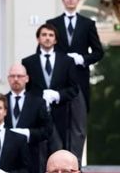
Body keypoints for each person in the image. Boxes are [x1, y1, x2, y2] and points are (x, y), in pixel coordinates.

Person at [46, 0, 104, 164]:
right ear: (63, 0)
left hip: (79, 81)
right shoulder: (52, 24)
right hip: (58, 82)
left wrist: (82, 59)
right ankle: (58, 164)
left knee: (78, 127)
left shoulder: (88, 24)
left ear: (77, 0)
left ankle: (75, 166)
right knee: (58, 124)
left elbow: (98, 52)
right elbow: (47, 50)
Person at [22, 23, 79, 156]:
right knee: (38, 152)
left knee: (59, 150)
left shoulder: (66, 61)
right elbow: (26, 90)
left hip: (60, 113)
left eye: (50, 35)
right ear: (38, 39)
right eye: (44, 35)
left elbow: (74, 89)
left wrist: (58, 95)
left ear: (55, 40)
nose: (47, 38)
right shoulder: (28, 62)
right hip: (36, 115)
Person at [4, 62, 52, 173]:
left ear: (27, 78)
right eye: (13, 76)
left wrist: (28, 133)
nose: (16, 79)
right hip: (6, 160)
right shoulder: (0, 102)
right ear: (8, 79)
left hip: (32, 159)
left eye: (20, 76)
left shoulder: (38, 102)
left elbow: (47, 130)